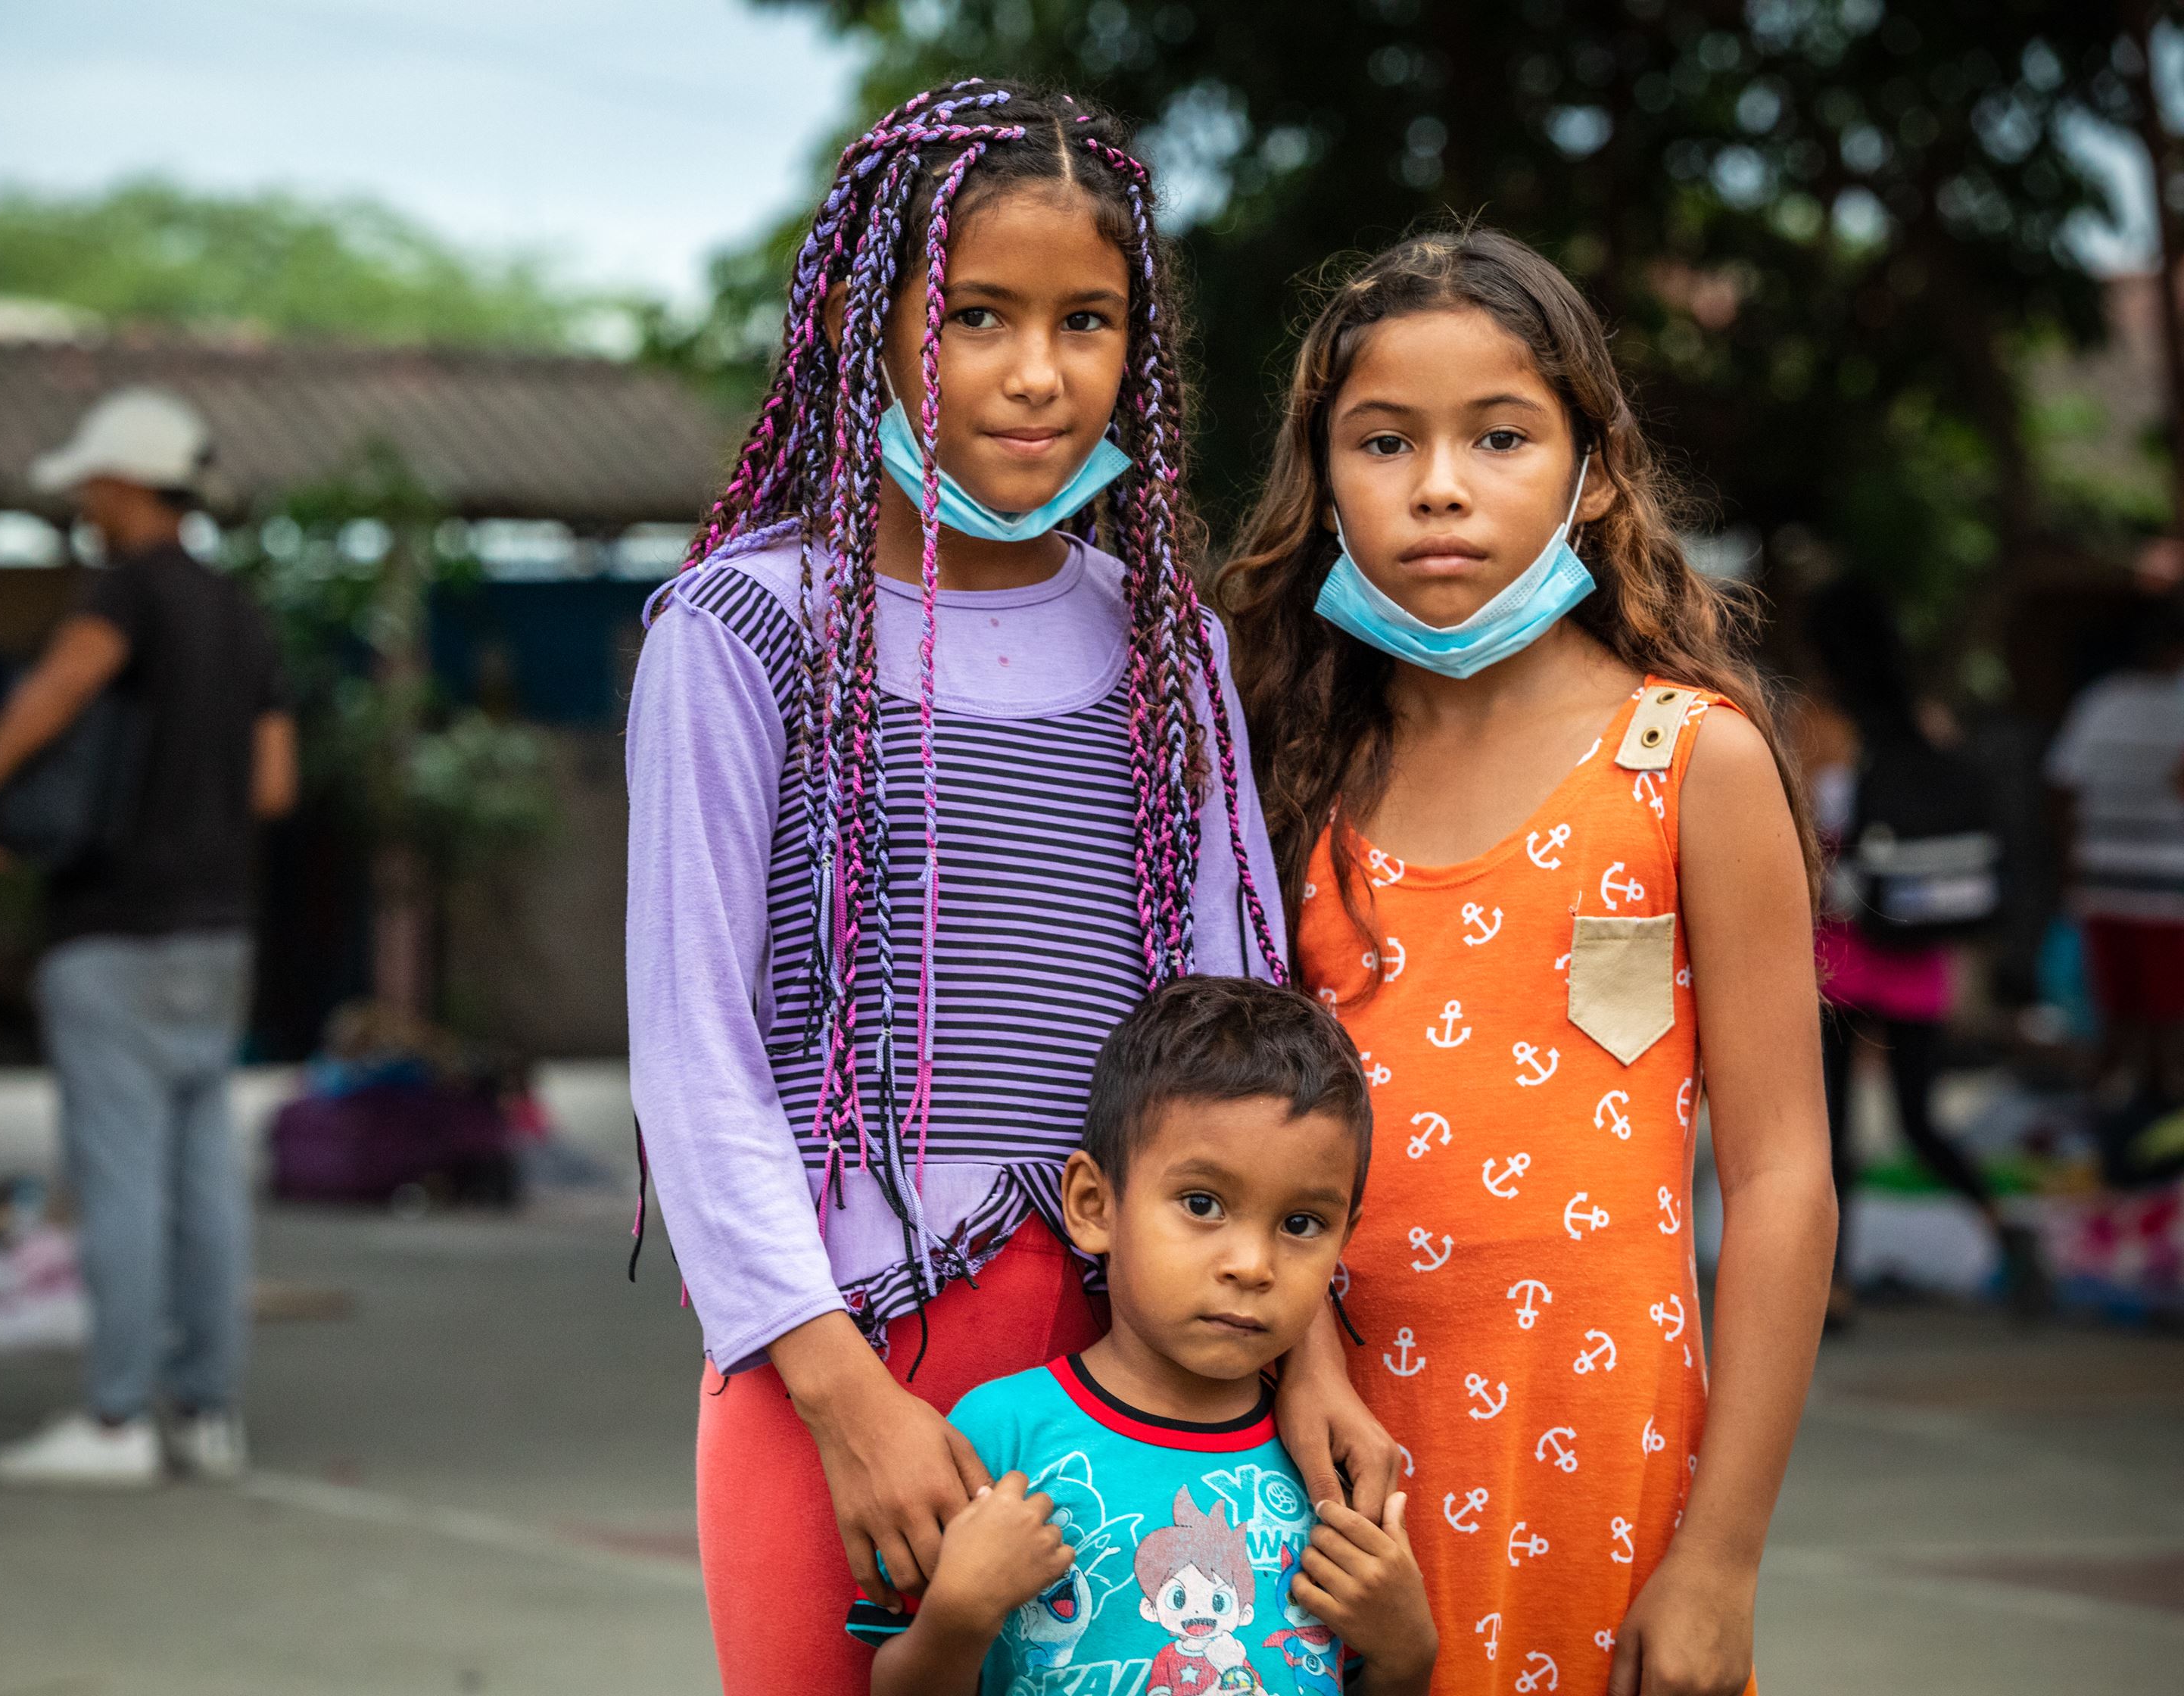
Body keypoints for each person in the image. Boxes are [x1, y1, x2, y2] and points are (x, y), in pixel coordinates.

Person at [625, 82, 1301, 1694]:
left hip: (1140, 1352)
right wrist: (842, 1395)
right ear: (871, 324)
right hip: (832, 1353)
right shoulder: (739, 632)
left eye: (1088, 321)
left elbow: (1245, 1057)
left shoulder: (1171, 651)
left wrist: (1308, 1361)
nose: (1036, 375)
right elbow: (694, 1048)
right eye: (977, 316)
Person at [1220, 229, 1836, 1695]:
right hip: (1317, 1455)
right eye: (1386, 440)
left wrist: (1722, 1553)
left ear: (1596, 471)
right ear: (1323, 479)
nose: (1440, 484)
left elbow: (1784, 1176)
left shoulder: (1690, 760)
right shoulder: (1290, 773)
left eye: (1500, 435)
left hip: (1602, 1464)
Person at [849, 977, 1436, 1696]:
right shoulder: (996, 1440)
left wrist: (1407, 1656)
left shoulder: (1330, 1473)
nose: (1252, 1265)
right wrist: (959, 1615)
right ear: (1094, 1205)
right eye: (1202, 1204)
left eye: (1301, 1224)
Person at [0, 386, 296, 1487]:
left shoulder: (126, 593)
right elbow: (274, 782)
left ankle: (113, 1421)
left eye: (90, 487)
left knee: (121, 1184)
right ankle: (209, 1416)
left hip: (115, 928)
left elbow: (65, 684)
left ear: (120, 484)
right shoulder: (239, 613)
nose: (83, 507)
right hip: (218, 929)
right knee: (205, 1183)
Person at [1796, 579, 2041, 1323]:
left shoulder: (1817, 726)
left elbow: (1805, 835)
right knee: (1918, 1117)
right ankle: (2007, 1228)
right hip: (1915, 942)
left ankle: (1833, 1288)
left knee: (1828, 1127)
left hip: (1840, 945)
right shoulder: (1924, 722)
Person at [2046, 593, 2184, 1100]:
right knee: (2170, 1021)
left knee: (2119, 1016)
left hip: (2103, 881)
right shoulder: (2178, 702)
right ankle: (2158, 1132)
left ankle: (2116, 1130)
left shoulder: (2099, 701)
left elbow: (2062, 789)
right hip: (2169, 888)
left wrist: (2072, 864)